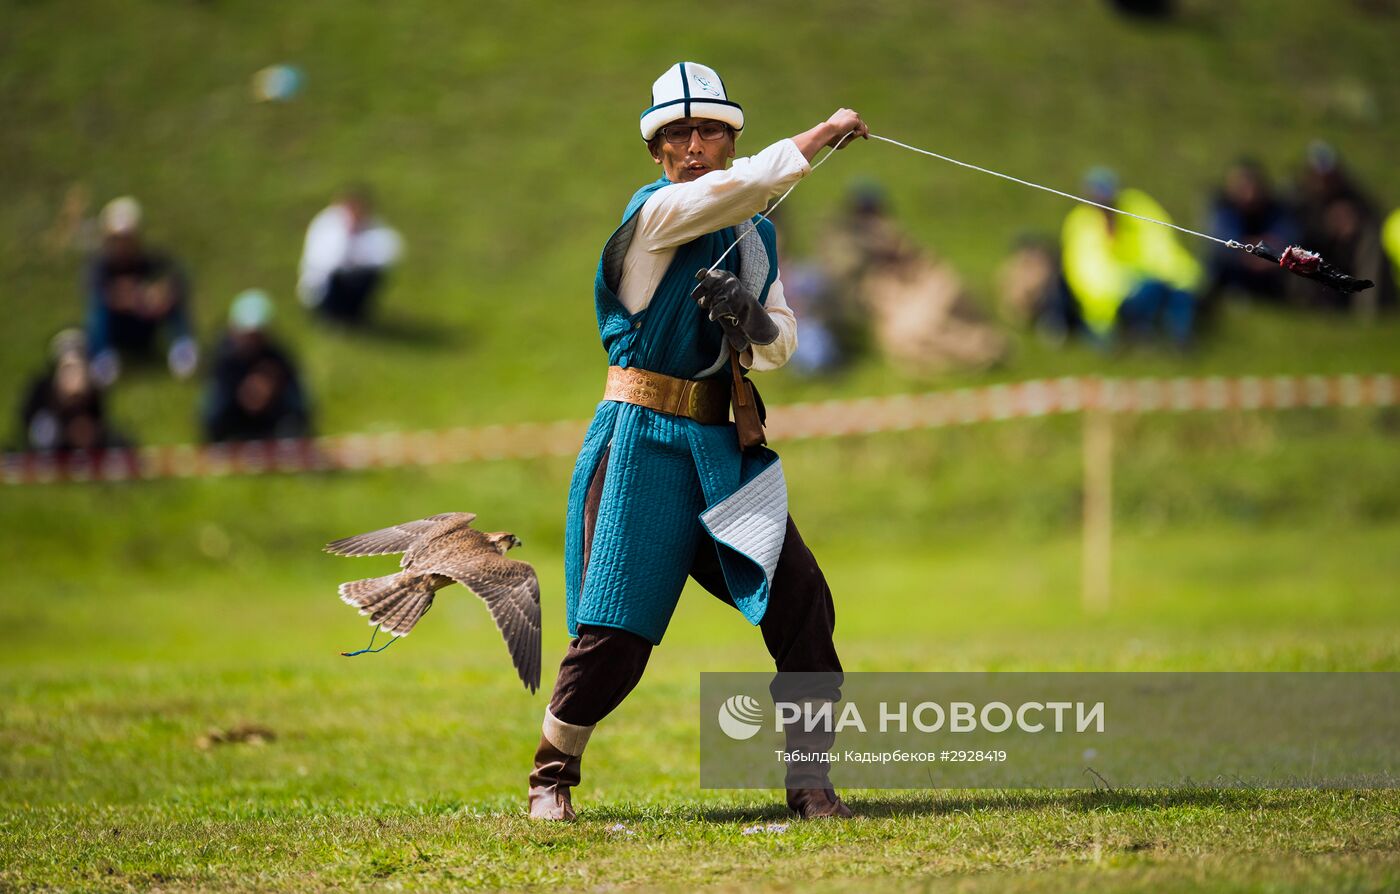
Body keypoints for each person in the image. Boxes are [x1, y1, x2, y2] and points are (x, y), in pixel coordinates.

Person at [528, 62, 869, 823]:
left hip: (720, 445)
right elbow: (730, 192)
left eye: (709, 130)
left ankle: (810, 783)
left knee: (801, 600)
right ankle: (552, 773)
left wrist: (752, 319)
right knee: (616, 633)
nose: (693, 146)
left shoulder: (757, 237)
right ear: (656, 152)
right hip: (640, 445)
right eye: (676, 134)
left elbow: (780, 341)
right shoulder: (653, 215)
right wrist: (819, 136)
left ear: (731, 137)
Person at [822, 181, 1007, 374]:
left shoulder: (892, 235)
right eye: (865, 213)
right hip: (888, 299)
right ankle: (978, 354)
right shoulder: (844, 242)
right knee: (913, 331)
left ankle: (983, 351)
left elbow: (926, 267)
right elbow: (846, 273)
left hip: (915, 289)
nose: (872, 220)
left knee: (933, 321)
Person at [1061, 167, 1202, 349]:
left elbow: (1161, 245)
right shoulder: (1081, 224)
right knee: (1148, 292)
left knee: (1177, 294)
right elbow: (1088, 274)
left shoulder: (1135, 207)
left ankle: (1179, 341)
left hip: (1149, 284)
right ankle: (1142, 338)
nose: (1104, 204)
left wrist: (1172, 277)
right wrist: (1128, 287)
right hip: (1110, 304)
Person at [84, 197, 198, 385]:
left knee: (175, 300)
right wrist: (138, 296)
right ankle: (103, 359)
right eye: (117, 239)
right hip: (116, 327)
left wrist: (161, 295)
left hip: (146, 322)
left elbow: (177, 280)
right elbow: (104, 294)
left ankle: (183, 350)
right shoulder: (99, 268)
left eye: (127, 238)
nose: (123, 245)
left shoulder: (152, 261)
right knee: (98, 308)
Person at [201, 290, 311, 443]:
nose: (252, 339)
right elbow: (213, 410)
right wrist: (244, 393)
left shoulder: (278, 358)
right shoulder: (223, 360)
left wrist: (274, 387)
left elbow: (300, 405)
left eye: (257, 333)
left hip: (271, 422)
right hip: (235, 420)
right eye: (247, 333)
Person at [1202, 159, 1299, 310]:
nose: (1249, 194)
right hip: (1232, 274)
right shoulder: (1223, 208)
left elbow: (1286, 241)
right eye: (1241, 187)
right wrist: (1255, 252)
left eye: (1252, 187)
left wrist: (1261, 254)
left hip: (1270, 277)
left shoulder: (1277, 210)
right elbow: (1221, 243)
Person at [297, 186, 403, 324]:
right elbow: (327, 262)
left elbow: (391, 251)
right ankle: (331, 316)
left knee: (372, 276)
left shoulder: (371, 225)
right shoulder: (327, 226)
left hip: (355, 281)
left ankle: (354, 314)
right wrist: (349, 239)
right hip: (326, 287)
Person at [19, 330, 124, 453]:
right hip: (51, 448)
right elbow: (29, 423)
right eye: (66, 368)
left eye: (77, 368)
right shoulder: (42, 388)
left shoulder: (94, 389)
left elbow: (101, 420)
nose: (72, 374)